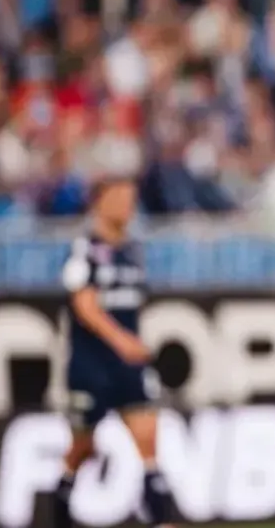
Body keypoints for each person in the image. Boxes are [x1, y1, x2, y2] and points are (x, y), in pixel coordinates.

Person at [54, 178, 173, 528]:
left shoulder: (133, 251)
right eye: (119, 197)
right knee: (82, 448)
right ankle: (62, 500)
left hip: (129, 368)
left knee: (148, 440)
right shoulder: (85, 249)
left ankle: (162, 522)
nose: (126, 206)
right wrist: (123, 342)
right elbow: (85, 306)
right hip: (91, 366)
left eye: (131, 199)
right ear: (98, 202)